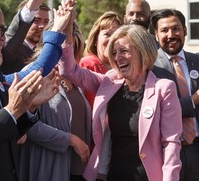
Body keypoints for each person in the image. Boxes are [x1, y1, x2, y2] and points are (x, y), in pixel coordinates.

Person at [58, 24, 182, 181]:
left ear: (143, 52)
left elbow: (171, 144)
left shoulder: (163, 89)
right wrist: (66, 31)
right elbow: (69, 71)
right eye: (114, 53)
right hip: (112, 174)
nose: (117, 58)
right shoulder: (110, 82)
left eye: (124, 51)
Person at [0, 0, 63, 181]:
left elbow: (8, 130)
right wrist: (10, 111)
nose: (3, 37)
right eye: (0, 29)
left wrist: (29, 107)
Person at [19, 0, 92, 181]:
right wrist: (70, 139)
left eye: (72, 41)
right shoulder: (34, 74)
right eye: (63, 41)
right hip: (47, 166)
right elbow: (24, 123)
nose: (67, 47)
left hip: (77, 170)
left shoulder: (78, 78)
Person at [151, 9, 199, 181]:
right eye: (164, 30)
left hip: (198, 149)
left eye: (176, 29)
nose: (171, 34)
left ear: (185, 30)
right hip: (166, 151)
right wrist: (194, 99)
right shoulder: (150, 67)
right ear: (156, 34)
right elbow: (158, 110)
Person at [1, 0, 53, 74]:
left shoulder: (46, 50)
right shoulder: (11, 49)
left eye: (46, 22)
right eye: (36, 20)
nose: (42, 26)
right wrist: (35, 1)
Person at [79, 11, 123, 107]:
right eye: (107, 34)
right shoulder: (88, 64)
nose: (112, 40)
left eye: (117, 35)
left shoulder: (123, 68)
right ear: (95, 40)